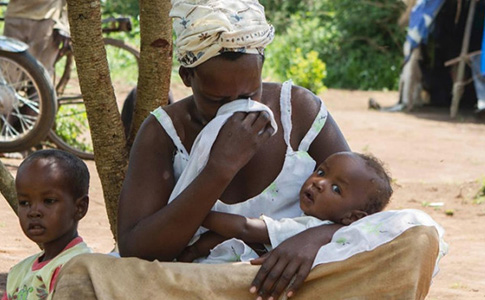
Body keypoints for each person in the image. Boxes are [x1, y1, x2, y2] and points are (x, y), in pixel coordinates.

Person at [52, 1, 446, 299]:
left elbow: (363, 209)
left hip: (300, 280)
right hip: (205, 283)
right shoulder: (163, 132)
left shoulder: (299, 110)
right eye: (216, 99)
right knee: (84, 274)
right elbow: (138, 248)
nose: (237, 108)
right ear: (188, 77)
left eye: (249, 93)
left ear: (262, 67)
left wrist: (310, 240)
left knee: (418, 237)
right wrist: (217, 169)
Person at [178, 151, 393, 263]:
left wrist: (198, 213)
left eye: (336, 189)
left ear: (352, 218)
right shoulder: (310, 220)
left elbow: (245, 229)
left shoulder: (310, 228)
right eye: (321, 172)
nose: (319, 183)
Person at [2, 149, 92, 300]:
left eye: (49, 201)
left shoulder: (79, 268)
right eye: (25, 203)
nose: (34, 212)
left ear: (80, 208)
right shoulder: (19, 272)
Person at [3, 0, 69, 76]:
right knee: (8, 71)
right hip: (16, 15)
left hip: (47, 18)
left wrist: (64, 24)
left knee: (41, 74)